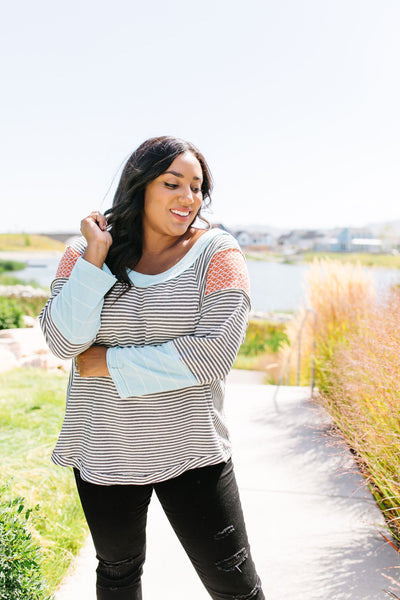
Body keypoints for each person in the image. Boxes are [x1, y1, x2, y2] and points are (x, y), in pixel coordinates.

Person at [39, 136, 265, 600]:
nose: (188, 198)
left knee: (234, 586)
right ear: (140, 186)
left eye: (197, 187)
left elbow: (214, 355)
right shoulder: (84, 249)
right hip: (104, 448)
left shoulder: (218, 253)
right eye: (172, 183)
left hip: (191, 449)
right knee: (118, 576)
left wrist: (109, 361)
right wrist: (96, 256)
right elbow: (63, 341)